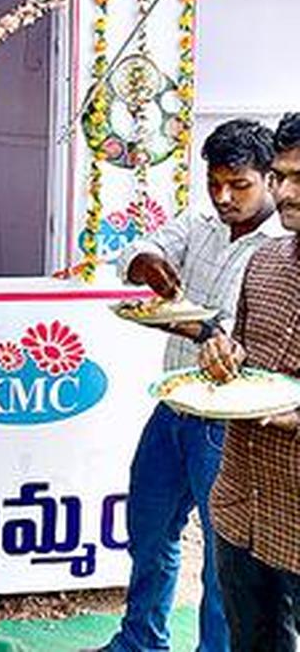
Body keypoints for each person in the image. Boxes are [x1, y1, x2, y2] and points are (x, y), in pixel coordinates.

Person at [99, 119, 282, 652]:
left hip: (228, 424)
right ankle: (140, 641)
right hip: (175, 405)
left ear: (271, 180)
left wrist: (196, 325)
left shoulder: (281, 250)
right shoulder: (200, 224)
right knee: (149, 530)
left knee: (224, 559)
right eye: (214, 183)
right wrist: (148, 265)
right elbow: (137, 251)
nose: (224, 197)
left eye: (238, 185)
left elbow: (245, 340)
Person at [199, 112, 300, 652]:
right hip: (244, 507)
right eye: (282, 176)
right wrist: (224, 355)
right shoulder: (264, 263)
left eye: (299, 178)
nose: (284, 192)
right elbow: (246, 352)